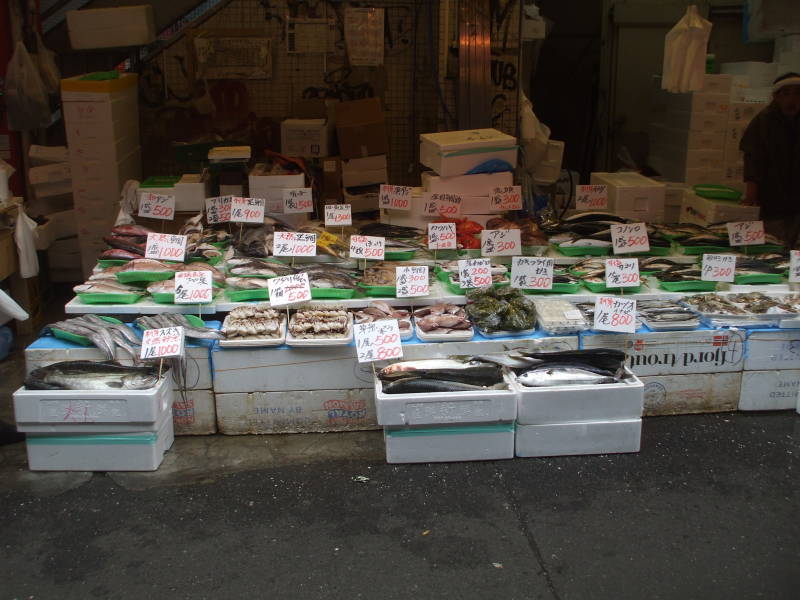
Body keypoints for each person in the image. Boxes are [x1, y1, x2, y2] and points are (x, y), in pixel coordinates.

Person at [739, 71, 800, 248]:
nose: (792, 99)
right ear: (775, 96)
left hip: (797, 200)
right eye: (786, 93)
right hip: (772, 198)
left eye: (797, 93)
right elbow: (753, 159)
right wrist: (751, 194)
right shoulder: (764, 121)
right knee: (772, 246)